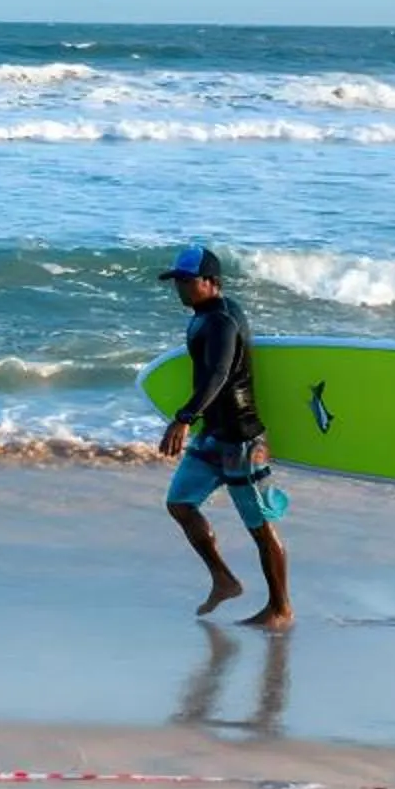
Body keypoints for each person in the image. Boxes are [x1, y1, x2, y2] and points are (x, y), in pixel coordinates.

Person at [155, 246, 291, 627]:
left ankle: (281, 608)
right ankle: (224, 578)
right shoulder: (204, 315)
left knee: (261, 529)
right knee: (180, 503)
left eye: (187, 281)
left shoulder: (222, 322)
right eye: (177, 281)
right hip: (213, 436)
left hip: (242, 442)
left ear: (212, 282)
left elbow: (217, 374)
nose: (180, 289)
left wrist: (183, 418)